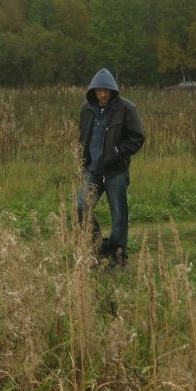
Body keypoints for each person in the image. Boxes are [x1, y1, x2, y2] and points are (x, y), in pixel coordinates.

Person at [77, 68, 145, 265]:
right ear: (93, 91)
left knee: (119, 217)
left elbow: (137, 137)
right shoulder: (87, 109)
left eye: (107, 90)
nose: (103, 94)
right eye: (99, 90)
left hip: (116, 171)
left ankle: (118, 254)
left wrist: (117, 152)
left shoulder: (127, 108)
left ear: (113, 90)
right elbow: (83, 136)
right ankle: (99, 245)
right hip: (93, 171)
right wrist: (82, 160)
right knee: (81, 208)